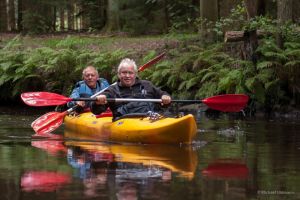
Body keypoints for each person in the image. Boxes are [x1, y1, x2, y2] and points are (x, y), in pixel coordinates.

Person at [90, 58, 171, 121]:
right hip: (124, 123)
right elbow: (96, 111)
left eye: (130, 73)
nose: (127, 75)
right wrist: (97, 103)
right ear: (119, 74)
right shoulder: (112, 90)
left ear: (135, 74)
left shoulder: (147, 85)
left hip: (151, 119)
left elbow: (163, 95)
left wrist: (165, 96)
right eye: (124, 72)